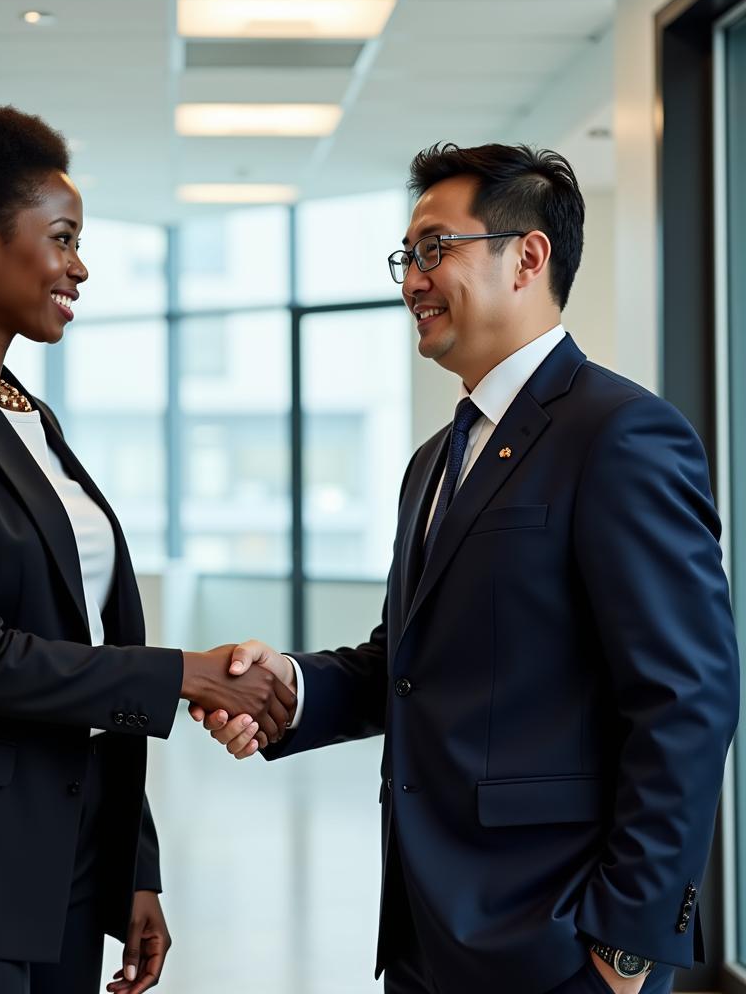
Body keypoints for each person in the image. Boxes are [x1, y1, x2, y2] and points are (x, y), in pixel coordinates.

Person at [193, 143, 739, 994]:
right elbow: (408, 666)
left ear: (527, 256)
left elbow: (687, 696)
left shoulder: (621, 434)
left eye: (434, 249)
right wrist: (288, 688)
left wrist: (625, 947)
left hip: (560, 942)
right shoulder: (434, 460)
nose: (412, 279)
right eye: (407, 257)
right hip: (427, 929)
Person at [0, 104, 296, 994]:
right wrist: (185, 673)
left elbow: (89, 647)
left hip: (73, 859)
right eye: (63, 238)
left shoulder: (30, 416)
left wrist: (135, 866)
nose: (80, 266)